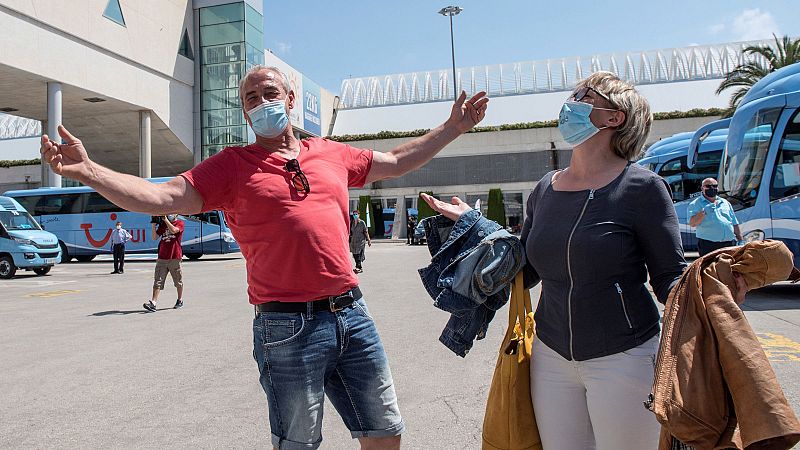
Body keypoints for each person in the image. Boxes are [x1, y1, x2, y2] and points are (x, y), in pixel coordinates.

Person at [40, 64, 488, 450]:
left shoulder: (330, 153)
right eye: (249, 98)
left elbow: (395, 159)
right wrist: (88, 170)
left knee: (384, 432)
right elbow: (161, 195)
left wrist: (453, 128)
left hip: (353, 314)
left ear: (290, 99)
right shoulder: (231, 166)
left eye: (268, 93)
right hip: (286, 326)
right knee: (298, 443)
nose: (259, 102)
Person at [422, 71, 686, 450]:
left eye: (583, 95)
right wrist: (475, 226)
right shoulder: (546, 187)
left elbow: (669, 277)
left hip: (625, 357)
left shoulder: (643, 188)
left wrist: (712, 294)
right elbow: (526, 269)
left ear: (614, 118)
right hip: (550, 356)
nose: (570, 103)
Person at [688, 177, 743, 256]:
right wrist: (703, 212)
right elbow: (692, 223)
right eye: (708, 186)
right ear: (702, 188)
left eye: (715, 186)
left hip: (729, 244)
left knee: (730, 267)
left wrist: (740, 240)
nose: (712, 188)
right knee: (710, 267)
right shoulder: (695, 204)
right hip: (709, 245)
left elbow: (734, 222)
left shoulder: (725, 202)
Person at [143, 214, 184, 312]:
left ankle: (180, 299)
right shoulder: (163, 225)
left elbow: (174, 230)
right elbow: (154, 237)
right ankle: (153, 303)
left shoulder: (180, 223)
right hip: (162, 257)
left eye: (171, 213)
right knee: (158, 280)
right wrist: (153, 225)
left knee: (178, 281)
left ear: (176, 214)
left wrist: (165, 220)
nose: (169, 214)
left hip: (174, 256)